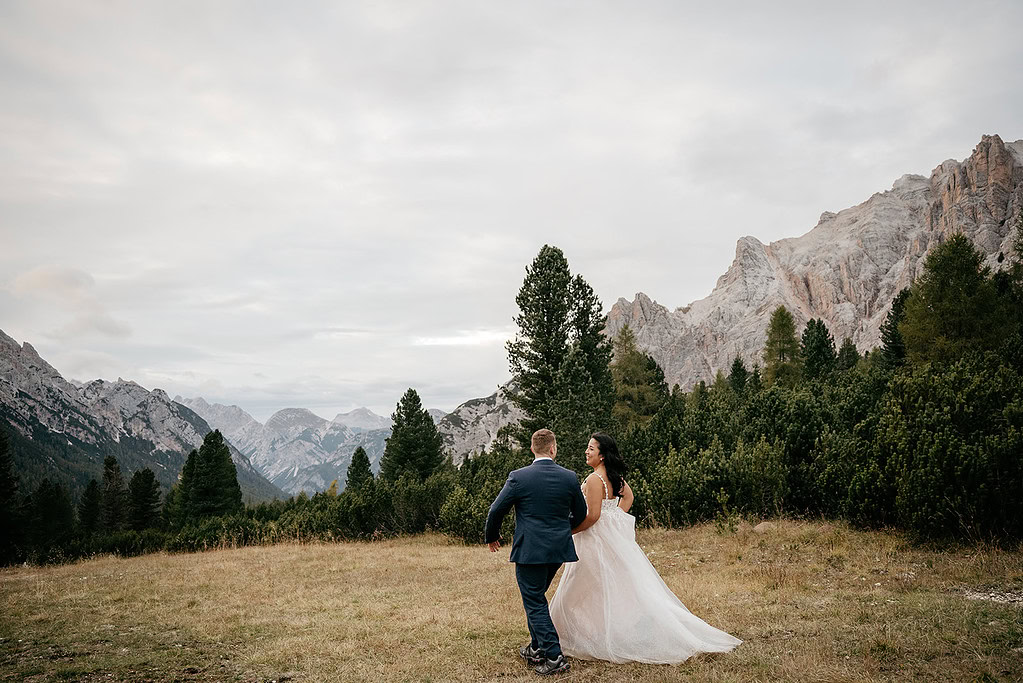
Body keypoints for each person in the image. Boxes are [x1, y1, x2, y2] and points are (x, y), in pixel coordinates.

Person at [549, 432, 741, 664]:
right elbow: (627, 498)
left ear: (601, 455)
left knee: (574, 588)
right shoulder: (612, 476)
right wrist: (615, 518)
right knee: (604, 587)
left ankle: (557, 636)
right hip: (609, 539)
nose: (586, 451)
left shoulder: (593, 480)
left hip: (594, 540)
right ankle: (586, 631)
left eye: (591, 448)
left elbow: (593, 516)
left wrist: (569, 531)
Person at [484, 428, 588, 676]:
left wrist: (492, 536)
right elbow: (581, 513)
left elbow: (496, 510)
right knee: (537, 597)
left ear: (533, 449)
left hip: (530, 550)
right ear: (553, 448)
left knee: (534, 601)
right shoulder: (569, 477)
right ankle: (536, 648)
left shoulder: (519, 477)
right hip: (557, 550)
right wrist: (562, 529)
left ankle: (553, 657)